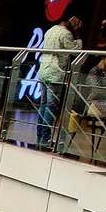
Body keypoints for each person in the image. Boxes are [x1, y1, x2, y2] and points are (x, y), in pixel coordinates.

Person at [36, 11, 82, 150]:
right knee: (51, 107)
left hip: (44, 70)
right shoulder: (66, 34)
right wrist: (78, 37)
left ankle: (40, 136)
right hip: (55, 74)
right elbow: (76, 50)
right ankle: (45, 137)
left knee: (43, 105)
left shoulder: (50, 30)